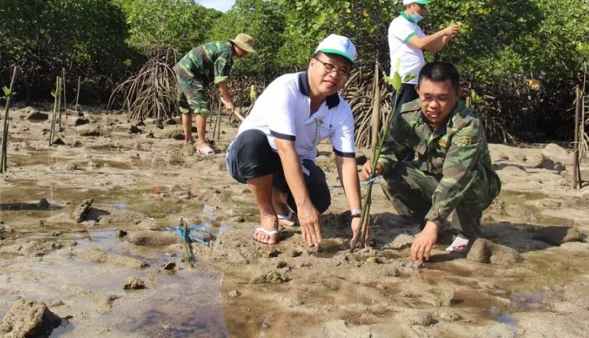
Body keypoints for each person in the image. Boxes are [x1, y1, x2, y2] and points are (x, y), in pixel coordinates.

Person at [226, 34, 365, 247]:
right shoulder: (286, 88)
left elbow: (346, 161)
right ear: (312, 63)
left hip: (294, 163)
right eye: (329, 66)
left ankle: (279, 201)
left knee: (319, 199)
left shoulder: (342, 110)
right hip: (251, 157)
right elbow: (284, 148)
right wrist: (302, 206)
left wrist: (357, 214)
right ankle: (268, 214)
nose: (334, 74)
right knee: (253, 141)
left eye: (343, 70)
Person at [362, 61, 501, 262]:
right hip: (433, 179)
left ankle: (466, 232)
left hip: (475, 186)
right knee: (390, 175)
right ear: (418, 91)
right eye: (427, 97)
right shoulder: (407, 114)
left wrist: (432, 223)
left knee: (471, 173)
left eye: (443, 98)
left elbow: (456, 178)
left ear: (457, 94)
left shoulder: (467, 123)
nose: (433, 106)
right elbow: (391, 149)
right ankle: (431, 225)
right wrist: (380, 163)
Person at [174, 34, 255, 155]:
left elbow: (212, 70)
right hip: (190, 72)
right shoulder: (227, 53)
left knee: (186, 107)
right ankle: (201, 143)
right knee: (201, 108)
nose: (246, 54)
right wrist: (228, 101)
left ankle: (188, 140)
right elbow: (221, 80)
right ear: (237, 46)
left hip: (182, 68)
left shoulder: (223, 47)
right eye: (244, 50)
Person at [387, 0, 460, 107]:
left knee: (415, 119)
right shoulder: (399, 23)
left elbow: (433, 48)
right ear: (410, 5)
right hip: (404, 79)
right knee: (401, 118)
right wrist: (443, 31)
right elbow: (420, 43)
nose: (423, 10)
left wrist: (448, 36)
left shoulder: (414, 26)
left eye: (424, 7)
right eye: (420, 6)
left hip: (416, 81)